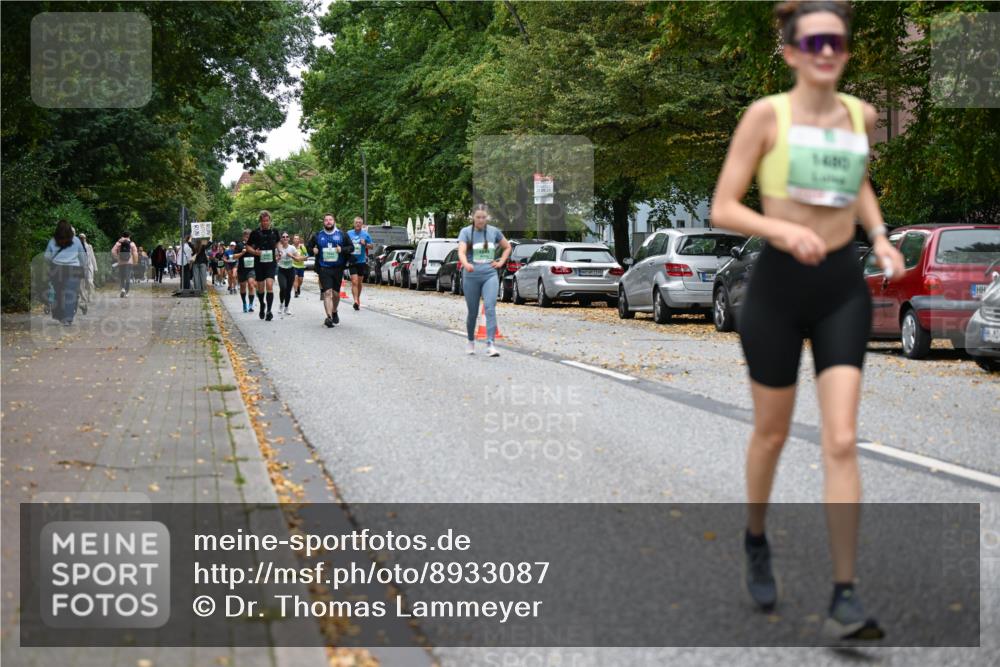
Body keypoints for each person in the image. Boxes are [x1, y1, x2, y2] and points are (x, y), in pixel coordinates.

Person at [710, 0, 904, 642]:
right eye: (814, 42)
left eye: (838, 43)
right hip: (777, 289)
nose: (827, 52)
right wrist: (784, 231)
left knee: (842, 439)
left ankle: (844, 596)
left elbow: (857, 183)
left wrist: (878, 237)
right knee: (771, 433)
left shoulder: (859, 116)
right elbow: (724, 207)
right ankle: (756, 537)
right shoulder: (767, 117)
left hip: (841, 288)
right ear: (792, 53)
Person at [457, 205, 510, 357]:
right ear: (473, 217)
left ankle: (490, 344)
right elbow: (461, 251)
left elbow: (507, 247)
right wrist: (466, 264)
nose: (481, 220)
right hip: (471, 276)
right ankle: (470, 341)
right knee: (472, 312)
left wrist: (500, 262)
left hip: (489, 275)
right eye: (478, 217)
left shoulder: (494, 231)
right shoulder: (466, 232)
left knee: (490, 307)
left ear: (487, 217)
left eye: (483, 217)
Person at [307, 214, 354, 328]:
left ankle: (334, 311)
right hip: (324, 268)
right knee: (327, 292)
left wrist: (341, 249)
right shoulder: (317, 235)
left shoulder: (342, 234)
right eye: (326, 220)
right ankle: (328, 317)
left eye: (330, 220)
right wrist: (313, 250)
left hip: (338, 268)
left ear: (334, 221)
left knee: (336, 294)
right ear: (323, 222)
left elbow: (351, 248)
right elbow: (308, 248)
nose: (328, 222)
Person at [44, 220, 88, 325]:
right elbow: (83, 257)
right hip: (73, 269)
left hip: (57, 269)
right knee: (70, 294)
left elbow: (46, 257)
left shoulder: (53, 241)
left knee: (58, 293)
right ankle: (68, 319)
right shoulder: (76, 240)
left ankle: (59, 316)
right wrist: (83, 266)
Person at [246, 210, 282, 321]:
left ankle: (269, 311)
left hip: (271, 263)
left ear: (270, 221)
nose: (266, 223)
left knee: (270, 285)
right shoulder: (255, 233)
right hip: (259, 263)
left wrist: (279, 251)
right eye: (263, 221)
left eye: (267, 221)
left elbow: (278, 243)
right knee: (261, 289)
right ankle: (262, 304)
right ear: (260, 221)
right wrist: (255, 252)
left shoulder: (274, 232)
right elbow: (248, 247)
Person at [346, 217, 374, 310]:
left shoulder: (365, 234)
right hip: (352, 261)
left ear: (362, 224)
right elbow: (344, 244)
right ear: (354, 224)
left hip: (361, 261)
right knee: (354, 281)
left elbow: (372, 246)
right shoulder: (349, 233)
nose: (358, 224)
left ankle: (358, 298)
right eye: (356, 222)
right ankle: (355, 301)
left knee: (359, 283)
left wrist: (365, 244)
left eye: (359, 223)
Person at [276, 233, 305, 317]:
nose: (285, 238)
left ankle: (286, 307)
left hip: (290, 270)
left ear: (289, 239)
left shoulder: (292, 248)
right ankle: (281, 304)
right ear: (281, 239)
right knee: (283, 288)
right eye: (283, 237)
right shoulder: (278, 248)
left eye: (287, 237)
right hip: (281, 271)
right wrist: (277, 258)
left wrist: (291, 256)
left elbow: (298, 258)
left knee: (288, 290)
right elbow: (275, 260)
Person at [233, 230, 256, 312]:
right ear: (243, 236)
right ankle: (244, 303)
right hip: (242, 269)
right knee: (243, 287)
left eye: (249, 235)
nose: (248, 237)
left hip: (252, 269)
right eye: (246, 235)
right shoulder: (239, 245)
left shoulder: (254, 244)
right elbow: (234, 257)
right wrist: (242, 253)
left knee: (251, 285)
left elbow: (258, 254)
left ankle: (250, 305)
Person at [112, 232, 137, 298]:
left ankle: (122, 289)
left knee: (122, 276)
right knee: (128, 277)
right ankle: (126, 292)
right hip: (129, 262)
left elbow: (113, 251)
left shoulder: (118, 243)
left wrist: (117, 257)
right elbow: (135, 253)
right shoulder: (132, 243)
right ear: (129, 236)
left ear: (122, 236)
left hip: (121, 262)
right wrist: (135, 261)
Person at [78, 232, 98, 314]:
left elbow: (92, 257)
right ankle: (83, 298)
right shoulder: (78, 247)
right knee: (81, 284)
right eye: (80, 237)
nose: (82, 238)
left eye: (83, 237)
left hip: (89, 267)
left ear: (85, 238)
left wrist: (95, 267)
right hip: (81, 267)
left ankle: (90, 294)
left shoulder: (89, 246)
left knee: (89, 282)